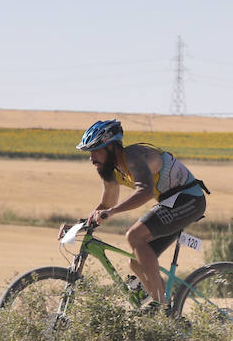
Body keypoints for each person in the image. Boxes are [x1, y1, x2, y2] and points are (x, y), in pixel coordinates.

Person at [71, 119, 208, 312]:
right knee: (136, 263)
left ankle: (163, 309)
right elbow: (106, 205)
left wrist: (111, 212)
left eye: (95, 150)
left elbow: (145, 192)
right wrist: (79, 226)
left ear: (111, 148)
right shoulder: (110, 170)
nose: (91, 158)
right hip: (170, 203)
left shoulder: (134, 156)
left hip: (189, 200)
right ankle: (167, 313)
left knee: (134, 236)